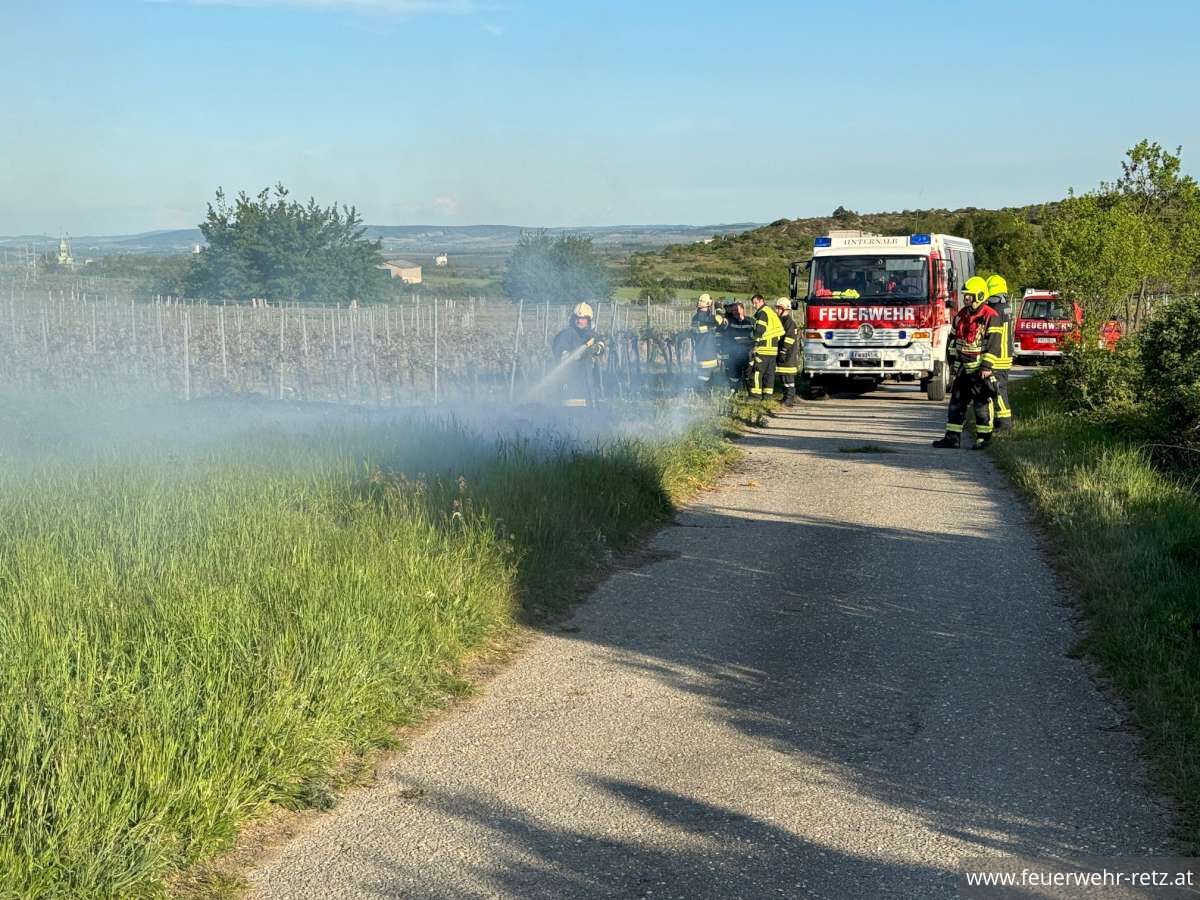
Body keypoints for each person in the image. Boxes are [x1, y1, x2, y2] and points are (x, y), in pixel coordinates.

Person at [933, 277, 998, 449]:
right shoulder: (962, 314)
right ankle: (952, 438)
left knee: (981, 405)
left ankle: (984, 439)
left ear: (980, 295)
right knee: (956, 403)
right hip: (962, 368)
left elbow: (994, 344)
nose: (966, 298)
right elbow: (953, 340)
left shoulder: (990, 316)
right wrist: (952, 361)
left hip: (979, 370)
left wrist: (986, 367)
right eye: (966, 295)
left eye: (969, 295)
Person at [550, 302, 605, 407]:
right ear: (573, 319)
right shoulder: (566, 335)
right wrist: (575, 355)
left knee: (591, 414)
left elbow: (601, 346)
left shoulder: (592, 335)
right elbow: (559, 352)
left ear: (589, 320)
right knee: (573, 414)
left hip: (589, 385)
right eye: (577, 318)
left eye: (583, 318)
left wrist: (596, 348)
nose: (580, 321)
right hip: (570, 383)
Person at [983, 274, 1014, 432]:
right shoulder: (1006, 307)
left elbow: (994, 336)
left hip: (998, 357)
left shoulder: (995, 311)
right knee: (999, 389)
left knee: (998, 390)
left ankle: (1005, 424)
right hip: (1005, 355)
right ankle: (1002, 421)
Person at [749, 294, 784, 401]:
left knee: (757, 372)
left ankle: (755, 396)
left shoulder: (762, 313)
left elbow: (759, 330)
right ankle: (767, 396)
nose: (754, 305)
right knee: (769, 374)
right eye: (753, 303)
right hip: (773, 350)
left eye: (756, 303)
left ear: (761, 301)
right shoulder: (770, 312)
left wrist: (754, 343)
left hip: (763, 349)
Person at [690, 293, 724, 390]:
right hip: (707, 351)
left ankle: (703, 393)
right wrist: (718, 309)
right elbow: (720, 320)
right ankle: (703, 395)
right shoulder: (707, 317)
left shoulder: (695, 317)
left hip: (701, 350)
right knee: (706, 376)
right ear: (708, 304)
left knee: (704, 374)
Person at [717, 301, 754, 393]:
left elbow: (756, 335)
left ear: (742, 309)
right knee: (733, 372)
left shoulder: (751, 321)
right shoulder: (729, 321)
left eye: (737, 309)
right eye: (733, 310)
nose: (735, 312)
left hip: (748, 352)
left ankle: (750, 392)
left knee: (748, 373)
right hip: (734, 352)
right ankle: (734, 391)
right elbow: (722, 331)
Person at [774, 297, 801, 406]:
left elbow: (789, 339)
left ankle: (789, 399)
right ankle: (786, 397)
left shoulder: (789, 322)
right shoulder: (781, 320)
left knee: (788, 378)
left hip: (787, 355)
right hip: (782, 353)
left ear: (784, 309)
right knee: (783, 377)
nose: (776, 310)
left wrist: (783, 351)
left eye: (778, 308)